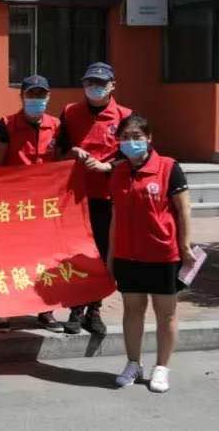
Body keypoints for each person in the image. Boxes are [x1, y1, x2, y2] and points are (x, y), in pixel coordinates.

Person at [108, 114, 192, 393]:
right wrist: (110, 256)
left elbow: (184, 210)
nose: (131, 142)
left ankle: (161, 367)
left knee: (165, 313)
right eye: (125, 137)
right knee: (132, 311)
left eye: (137, 137)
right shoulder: (118, 171)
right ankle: (133, 363)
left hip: (163, 254)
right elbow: (115, 216)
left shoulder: (168, 167)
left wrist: (185, 246)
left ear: (149, 138)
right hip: (127, 255)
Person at [56, 62, 133, 335]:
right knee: (76, 254)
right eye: (89, 83)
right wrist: (72, 151)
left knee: (102, 255)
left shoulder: (125, 116)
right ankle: (76, 308)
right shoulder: (70, 112)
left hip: (107, 196)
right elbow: (58, 147)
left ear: (113, 85)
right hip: (75, 197)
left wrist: (107, 166)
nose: (94, 88)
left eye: (100, 83)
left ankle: (94, 310)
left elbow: (132, 154)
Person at [0, 74, 64, 332]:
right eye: (31, 94)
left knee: (46, 259)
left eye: (41, 94)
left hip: (45, 206)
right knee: (10, 258)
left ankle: (46, 310)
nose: (36, 99)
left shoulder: (57, 126)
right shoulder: (6, 124)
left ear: (48, 97)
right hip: (13, 206)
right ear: (22, 96)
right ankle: (5, 311)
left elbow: (62, 164)